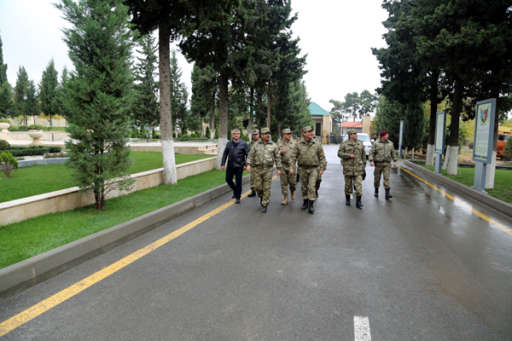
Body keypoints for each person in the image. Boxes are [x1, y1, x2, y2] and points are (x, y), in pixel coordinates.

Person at [290, 125, 326, 214]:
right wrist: (292, 167)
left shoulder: (317, 143)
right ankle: (305, 202)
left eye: (312, 131)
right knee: (304, 187)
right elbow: (293, 157)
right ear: (304, 133)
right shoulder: (298, 144)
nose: (311, 133)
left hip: (314, 168)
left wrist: (322, 168)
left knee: (311, 186)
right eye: (309, 132)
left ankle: (311, 205)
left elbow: (322, 157)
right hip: (302, 168)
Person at [247, 127, 281, 213]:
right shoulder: (256, 145)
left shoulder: (273, 145)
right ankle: (262, 197)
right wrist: (248, 164)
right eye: (265, 134)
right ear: (261, 135)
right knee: (258, 187)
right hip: (257, 169)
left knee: (267, 187)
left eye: (268, 133)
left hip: (268, 169)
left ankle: (265, 204)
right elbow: (250, 155)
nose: (267, 135)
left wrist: (278, 168)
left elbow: (277, 157)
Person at [338, 129, 366, 209]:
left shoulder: (360, 143)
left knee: (359, 186)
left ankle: (358, 202)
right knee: (348, 186)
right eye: (354, 134)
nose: (356, 135)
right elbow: (339, 153)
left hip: (358, 168)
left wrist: (364, 167)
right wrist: (348, 155)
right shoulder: (344, 144)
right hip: (348, 168)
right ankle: (347, 199)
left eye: (356, 133)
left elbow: (363, 156)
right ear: (350, 135)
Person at [221, 128, 249, 204]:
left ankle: (238, 197)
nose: (236, 135)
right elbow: (225, 154)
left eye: (237, 134)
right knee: (228, 179)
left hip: (239, 166)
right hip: (230, 165)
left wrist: (246, 164)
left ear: (239, 135)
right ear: (232, 135)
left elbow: (248, 155)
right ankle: (235, 190)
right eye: (234, 134)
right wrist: (223, 164)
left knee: (238, 181)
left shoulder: (244, 143)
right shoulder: (229, 143)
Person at [369, 130, 397, 200]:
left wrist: (395, 160)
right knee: (377, 179)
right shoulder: (376, 143)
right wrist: (371, 161)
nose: (388, 136)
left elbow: (393, 152)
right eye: (387, 135)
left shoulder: (390, 143)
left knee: (386, 178)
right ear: (383, 136)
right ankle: (376, 191)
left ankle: (387, 194)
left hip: (387, 164)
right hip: (378, 164)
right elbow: (371, 153)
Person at [277, 128, 296, 205]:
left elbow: (297, 154)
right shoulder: (279, 143)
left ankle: (292, 191)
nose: (289, 135)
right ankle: (285, 198)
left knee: (292, 183)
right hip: (283, 165)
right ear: (284, 135)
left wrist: (293, 166)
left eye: (290, 134)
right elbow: (275, 153)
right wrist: (280, 152)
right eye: (287, 134)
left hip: (291, 165)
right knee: (283, 183)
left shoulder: (294, 142)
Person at [248, 129, 260, 197]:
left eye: (256, 135)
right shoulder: (251, 143)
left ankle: (261, 191)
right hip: (253, 164)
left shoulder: (262, 142)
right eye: (254, 135)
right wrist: (248, 164)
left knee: (259, 179)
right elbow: (248, 154)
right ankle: (253, 191)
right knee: (252, 179)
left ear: (259, 135)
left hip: (260, 164)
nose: (255, 136)